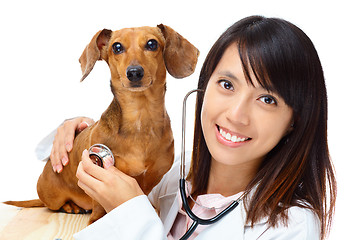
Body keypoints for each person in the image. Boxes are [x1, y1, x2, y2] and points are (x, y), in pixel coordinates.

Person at [48, 16, 336, 239]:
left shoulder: (294, 226)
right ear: (204, 86)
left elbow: (129, 216)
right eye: (227, 84)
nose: (236, 115)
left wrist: (133, 216)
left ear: (295, 120)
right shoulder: (175, 173)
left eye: (267, 99)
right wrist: (75, 132)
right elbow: (65, 197)